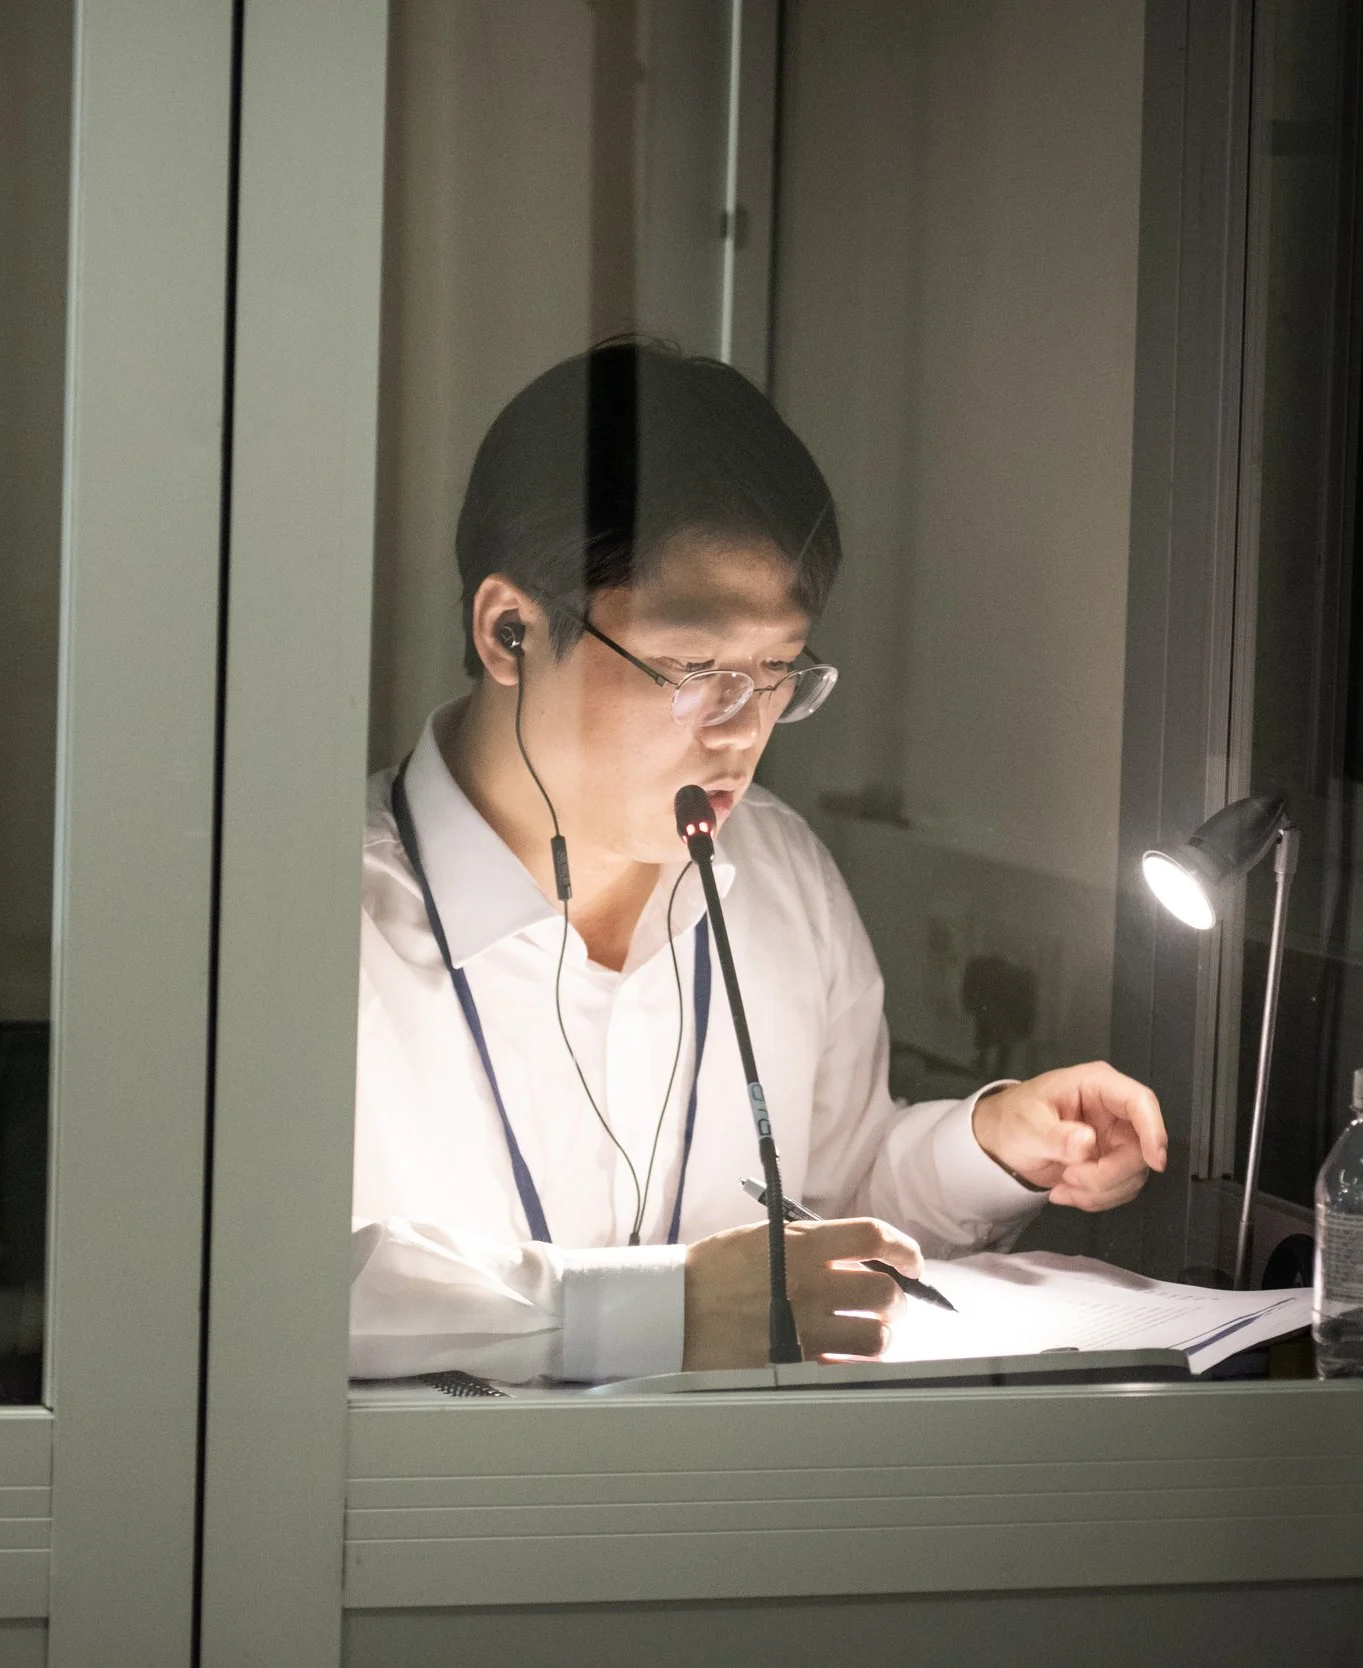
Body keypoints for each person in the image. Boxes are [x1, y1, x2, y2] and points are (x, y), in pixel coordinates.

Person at [351, 341, 1167, 1383]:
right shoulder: (309, 922)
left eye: (778, 672)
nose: (741, 730)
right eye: (692, 670)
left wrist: (989, 1144)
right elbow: (264, 1286)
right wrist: (660, 1312)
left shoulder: (774, 867)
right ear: (510, 631)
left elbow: (827, 1200)